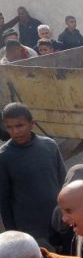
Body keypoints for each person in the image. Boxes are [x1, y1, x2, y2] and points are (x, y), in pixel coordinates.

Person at [0, 104, 66, 243]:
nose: (15, 131)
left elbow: (64, 181)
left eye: (20, 125)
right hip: (31, 231)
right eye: (9, 127)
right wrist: (13, 234)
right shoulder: (4, 157)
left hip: (60, 220)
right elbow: (4, 201)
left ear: (32, 124)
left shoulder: (49, 145)